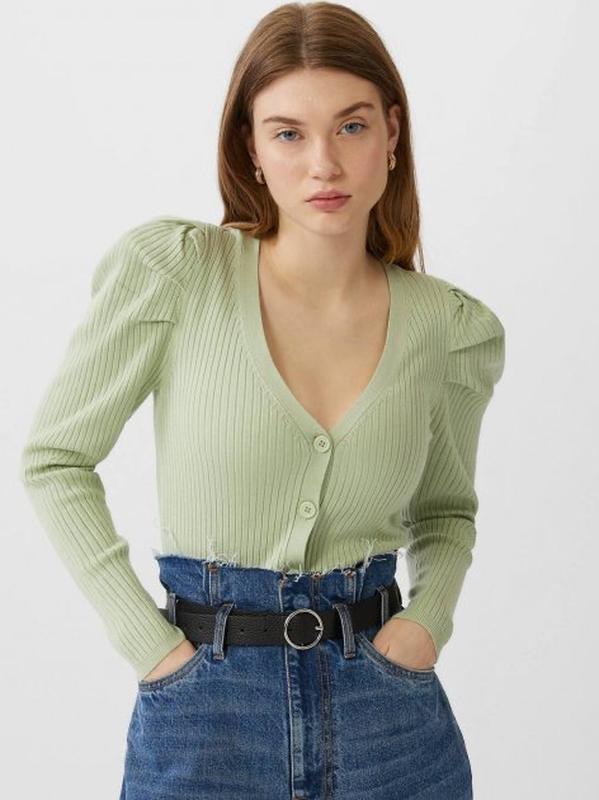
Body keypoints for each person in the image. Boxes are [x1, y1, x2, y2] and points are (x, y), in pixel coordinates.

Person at [19, 2, 505, 798]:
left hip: (391, 721)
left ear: (391, 133)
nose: (323, 164)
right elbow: (55, 458)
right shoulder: (177, 274)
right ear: (249, 146)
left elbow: (446, 513)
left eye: (351, 127)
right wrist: (150, 646)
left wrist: (425, 625)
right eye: (288, 134)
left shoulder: (447, 328)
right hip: (203, 712)